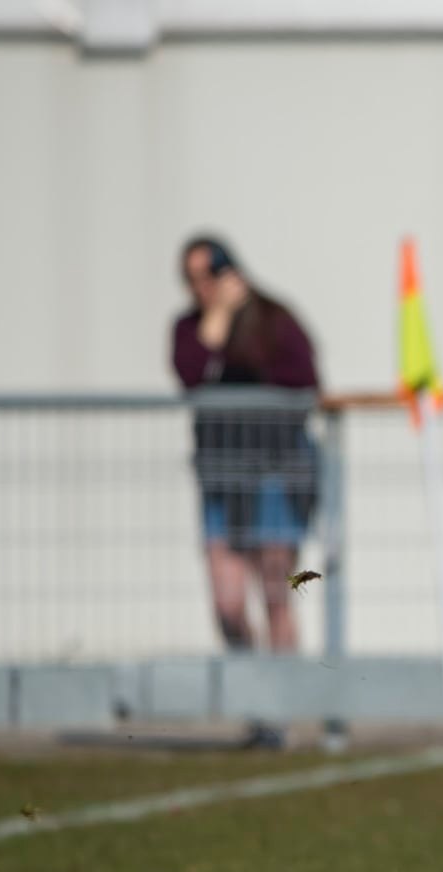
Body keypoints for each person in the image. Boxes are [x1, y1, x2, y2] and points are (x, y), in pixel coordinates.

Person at [171, 235, 319, 664]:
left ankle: (281, 706)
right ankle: (253, 688)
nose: (201, 286)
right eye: (191, 279)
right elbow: (190, 373)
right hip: (222, 480)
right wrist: (217, 318)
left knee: (278, 594)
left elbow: (304, 380)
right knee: (228, 604)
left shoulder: (273, 319)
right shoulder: (191, 328)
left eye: (209, 275)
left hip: (275, 475)